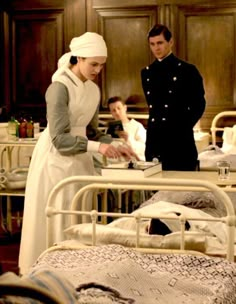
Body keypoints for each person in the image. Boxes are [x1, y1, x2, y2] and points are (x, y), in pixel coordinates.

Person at [19, 32, 138, 275]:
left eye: (101, 65)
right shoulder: (59, 88)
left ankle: (78, 272)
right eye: (93, 64)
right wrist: (99, 148)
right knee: (57, 212)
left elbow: (92, 132)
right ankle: (48, 272)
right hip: (55, 160)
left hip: (81, 159)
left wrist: (116, 143)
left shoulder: (93, 90)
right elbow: (60, 138)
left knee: (79, 212)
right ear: (78, 58)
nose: (98, 69)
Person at [141, 24, 206, 171]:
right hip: (154, 139)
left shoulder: (187, 71)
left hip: (179, 141)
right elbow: (154, 108)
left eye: (160, 43)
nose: (156, 48)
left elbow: (199, 104)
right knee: (156, 190)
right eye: (152, 44)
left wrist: (182, 127)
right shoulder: (146, 73)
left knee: (183, 189)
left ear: (170, 42)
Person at [107, 96, 146, 161]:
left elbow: (143, 149)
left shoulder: (137, 126)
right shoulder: (109, 130)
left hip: (134, 165)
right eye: (113, 110)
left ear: (125, 108)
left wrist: (128, 139)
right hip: (115, 166)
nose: (117, 112)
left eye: (119, 108)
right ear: (111, 113)